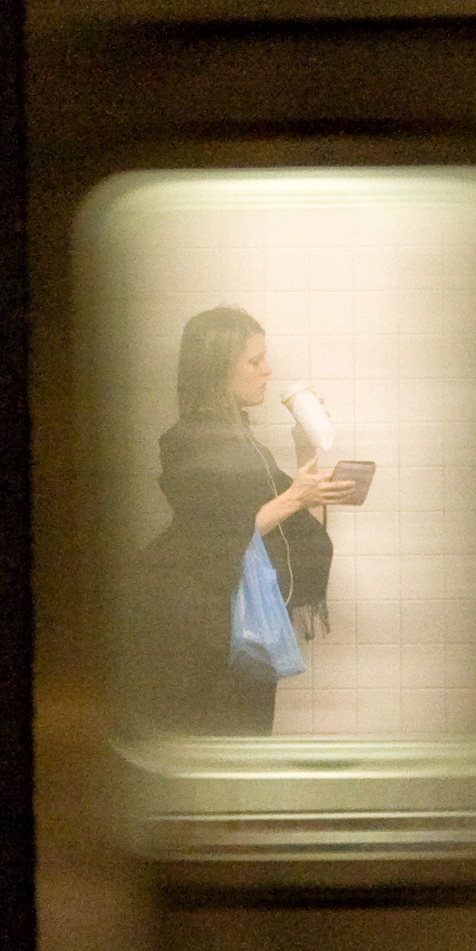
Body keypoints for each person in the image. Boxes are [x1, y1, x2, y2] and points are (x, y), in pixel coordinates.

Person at [133, 305, 354, 734]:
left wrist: (305, 446)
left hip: (241, 623)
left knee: (247, 739)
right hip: (194, 626)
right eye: (255, 361)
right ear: (218, 370)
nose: (268, 370)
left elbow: (288, 521)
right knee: (216, 741)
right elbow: (212, 536)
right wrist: (294, 496)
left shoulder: (245, 443)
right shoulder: (184, 443)